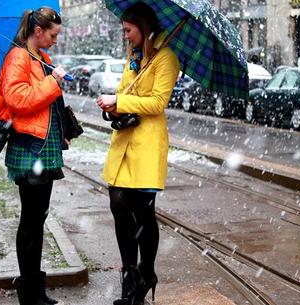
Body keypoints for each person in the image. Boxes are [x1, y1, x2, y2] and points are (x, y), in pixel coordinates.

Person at [95, 2, 180, 305]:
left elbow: (157, 103)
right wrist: (112, 106)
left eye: (129, 30)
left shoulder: (166, 59)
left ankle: (146, 272)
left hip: (146, 143)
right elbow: (125, 89)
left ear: (143, 28)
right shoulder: (136, 56)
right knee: (118, 202)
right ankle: (130, 273)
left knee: (144, 211)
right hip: (125, 139)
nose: (126, 36)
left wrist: (121, 100)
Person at [0, 7, 68, 305]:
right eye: (53, 34)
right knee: (31, 218)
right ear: (38, 31)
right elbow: (19, 99)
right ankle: (29, 293)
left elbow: (45, 103)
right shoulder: (18, 57)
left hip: (44, 147)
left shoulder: (41, 58)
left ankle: (36, 290)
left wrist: (63, 125)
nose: (55, 40)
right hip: (29, 148)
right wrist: (53, 83)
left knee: (40, 217)